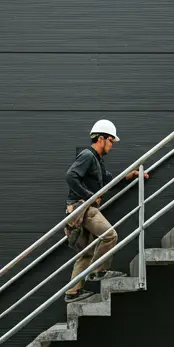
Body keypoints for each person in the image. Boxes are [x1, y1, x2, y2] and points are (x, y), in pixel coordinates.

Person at [64, 119, 149, 303]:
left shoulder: (97, 161)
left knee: (87, 253)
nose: (112, 145)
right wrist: (90, 197)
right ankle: (98, 271)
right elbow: (70, 176)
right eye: (111, 140)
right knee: (110, 236)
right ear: (101, 138)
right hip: (83, 208)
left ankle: (72, 292)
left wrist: (132, 175)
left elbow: (111, 181)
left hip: (84, 208)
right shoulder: (87, 155)